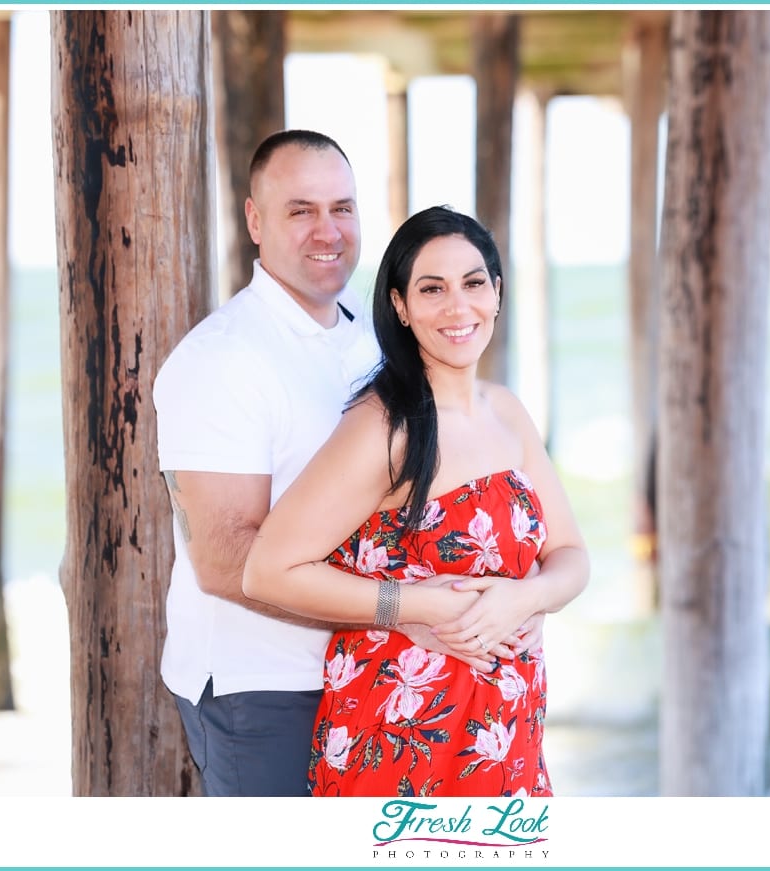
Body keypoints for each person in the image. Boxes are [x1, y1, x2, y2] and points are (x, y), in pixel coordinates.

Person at [153, 131, 529, 797]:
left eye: (343, 208)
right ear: (254, 221)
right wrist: (403, 611)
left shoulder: (371, 338)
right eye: (301, 210)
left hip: (372, 674)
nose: (327, 230)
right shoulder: (222, 359)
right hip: (263, 687)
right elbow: (224, 561)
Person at [242, 205, 589, 797]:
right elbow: (267, 571)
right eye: (433, 289)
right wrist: (412, 607)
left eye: (473, 283)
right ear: (400, 307)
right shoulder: (384, 427)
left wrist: (527, 597)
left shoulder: (506, 411)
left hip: (506, 735)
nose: (459, 307)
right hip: (398, 735)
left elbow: (572, 554)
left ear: (497, 293)